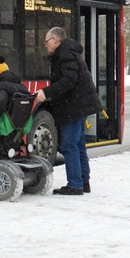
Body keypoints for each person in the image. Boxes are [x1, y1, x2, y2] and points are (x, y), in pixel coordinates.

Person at [35, 27, 102, 195]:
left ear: (56, 40)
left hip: (75, 106)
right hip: (79, 104)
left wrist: (46, 93)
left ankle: (75, 184)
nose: (45, 45)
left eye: (47, 41)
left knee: (68, 145)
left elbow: (68, 81)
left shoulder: (65, 55)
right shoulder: (68, 53)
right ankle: (83, 181)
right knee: (78, 144)